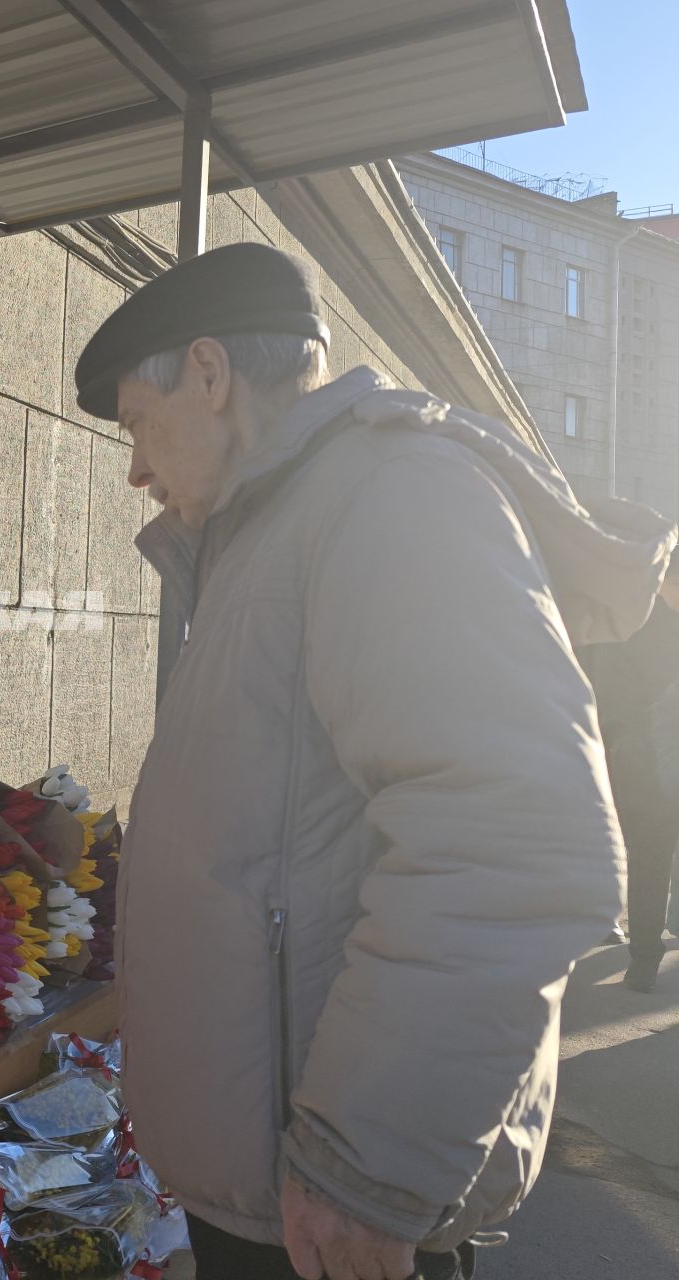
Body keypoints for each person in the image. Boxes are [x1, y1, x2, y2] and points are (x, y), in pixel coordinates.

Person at [74, 243, 676, 1280]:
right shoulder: (283, 523)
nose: (134, 464)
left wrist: (368, 1166)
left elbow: (515, 841)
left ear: (209, 375)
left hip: (332, 1210)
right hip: (282, 1192)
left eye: (135, 420)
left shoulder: (394, 495)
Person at [580, 559, 679, 991]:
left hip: (654, 758)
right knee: (650, 861)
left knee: (653, 860)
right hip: (646, 767)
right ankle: (644, 959)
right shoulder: (631, 624)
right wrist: (624, 748)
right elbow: (611, 697)